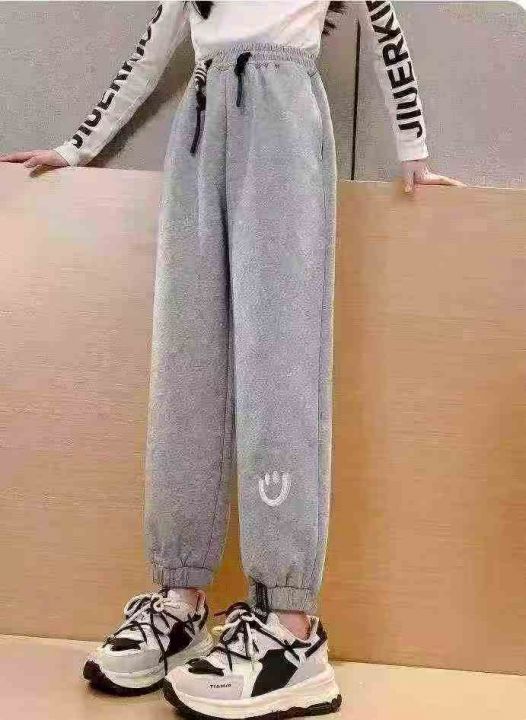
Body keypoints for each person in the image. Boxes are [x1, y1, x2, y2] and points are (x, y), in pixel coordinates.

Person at [0, 2, 463, 717]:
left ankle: (290, 625)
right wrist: (76, 147)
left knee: (280, 359)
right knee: (185, 361)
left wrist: (415, 153)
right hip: (200, 117)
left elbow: (383, 22)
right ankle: (180, 597)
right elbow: (154, 46)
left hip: (283, 115)